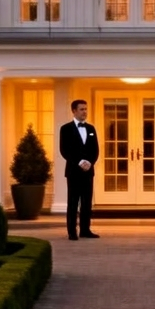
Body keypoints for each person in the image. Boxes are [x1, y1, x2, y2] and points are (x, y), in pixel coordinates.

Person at [59, 98, 100, 240]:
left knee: (87, 202)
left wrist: (90, 162)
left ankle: (85, 230)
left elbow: (95, 149)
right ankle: (72, 231)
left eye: (86, 109)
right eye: (82, 109)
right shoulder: (65, 129)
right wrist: (80, 162)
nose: (85, 112)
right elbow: (64, 150)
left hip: (88, 171)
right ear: (74, 111)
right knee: (73, 202)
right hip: (73, 171)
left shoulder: (91, 129)